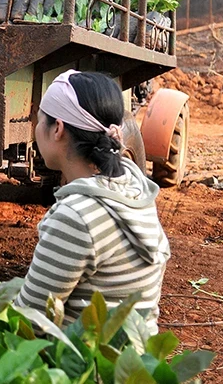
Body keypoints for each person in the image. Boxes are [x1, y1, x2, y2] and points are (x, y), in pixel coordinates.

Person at [15, 70, 170, 335]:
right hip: (133, 363)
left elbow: (28, 321)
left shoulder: (76, 216)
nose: (36, 128)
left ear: (57, 129)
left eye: (40, 119)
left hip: (88, 367)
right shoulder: (135, 187)